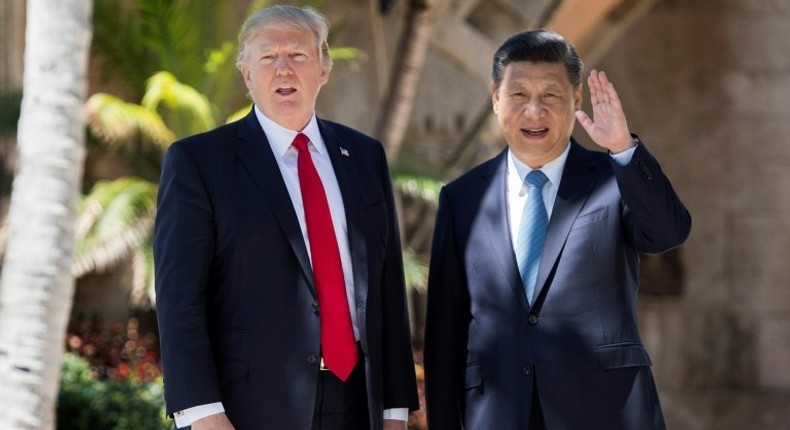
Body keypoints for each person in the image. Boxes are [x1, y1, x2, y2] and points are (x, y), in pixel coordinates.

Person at [154, 5, 419, 430]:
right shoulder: (199, 162)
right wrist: (202, 412)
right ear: (247, 75)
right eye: (267, 58)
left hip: (357, 403)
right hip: (249, 407)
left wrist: (394, 410)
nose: (283, 70)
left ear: (323, 69)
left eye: (297, 56)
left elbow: (386, 289)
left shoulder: (365, 156)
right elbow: (179, 299)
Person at [423, 29, 691, 430]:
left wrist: (623, 149)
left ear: (576, 99)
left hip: (605, 411)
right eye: (518, 95)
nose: (534, 111)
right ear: (495, 97)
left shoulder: (613, 178)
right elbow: (445, 330)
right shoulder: (461, 198)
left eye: (550, 95)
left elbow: (669, 233)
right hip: (498, 413)